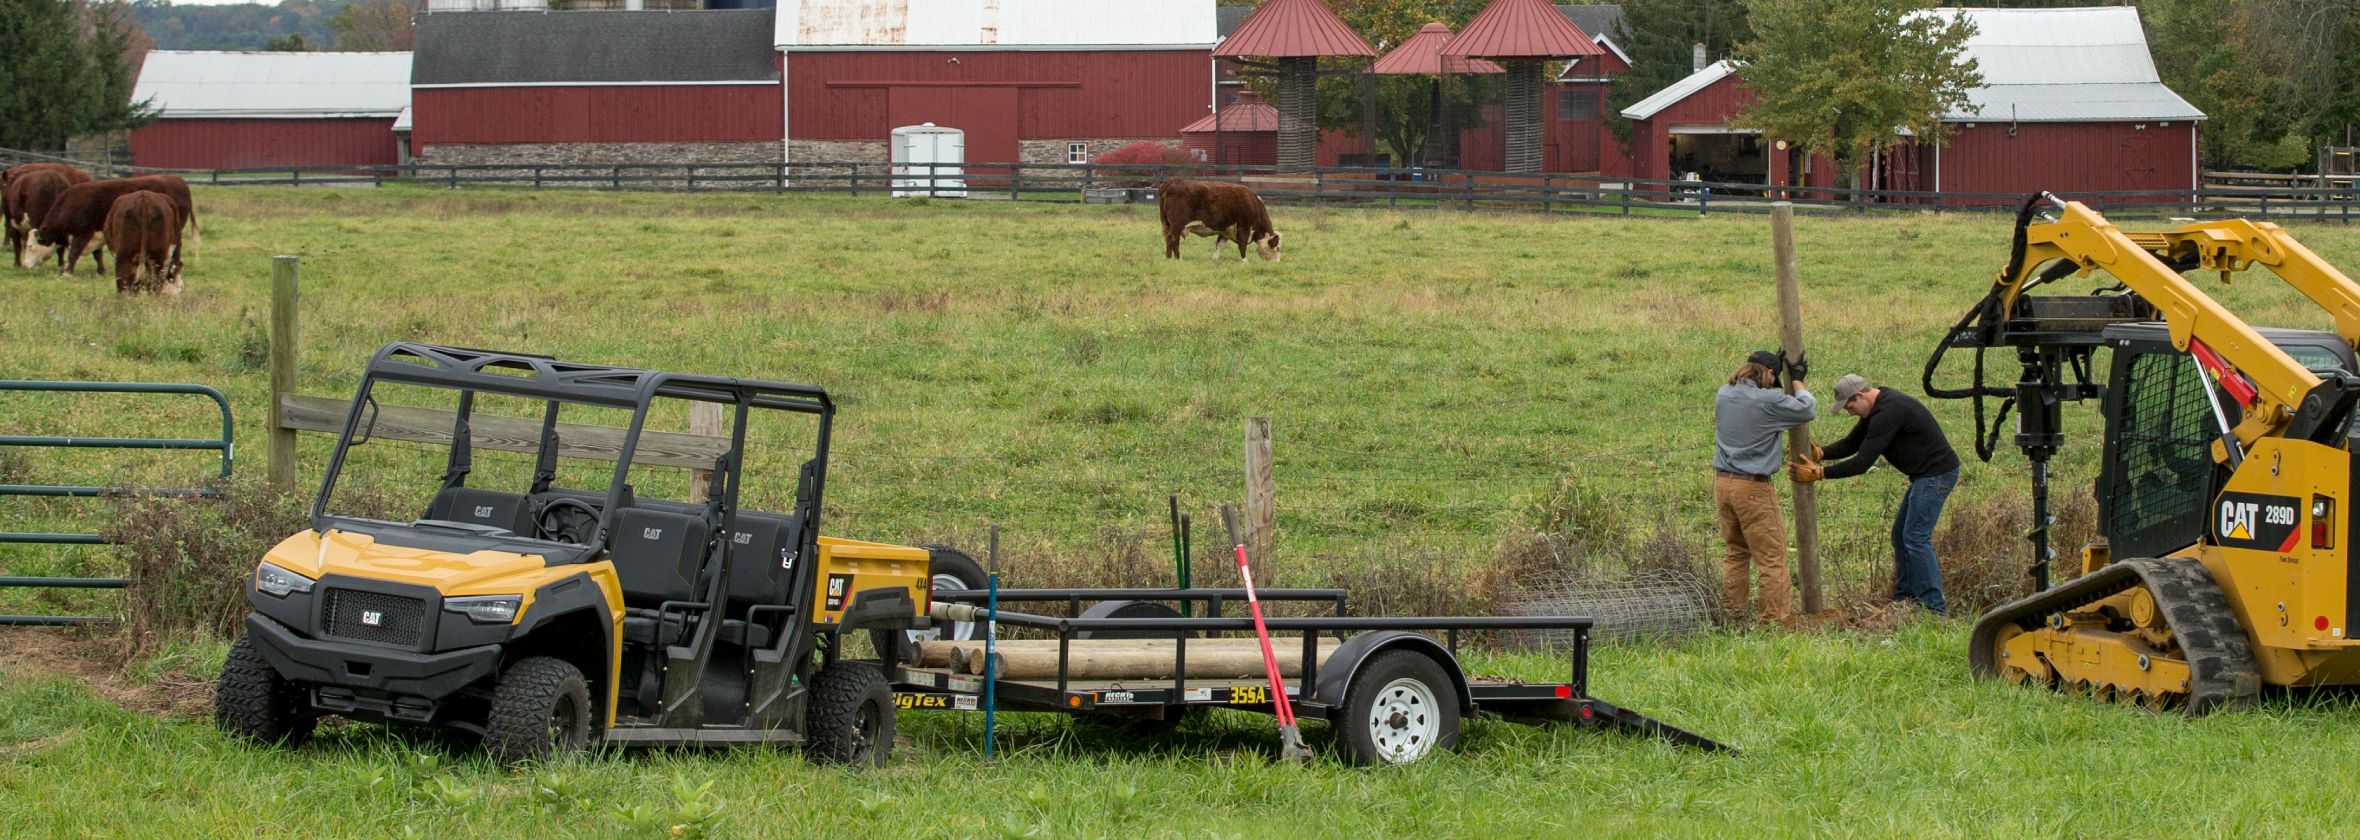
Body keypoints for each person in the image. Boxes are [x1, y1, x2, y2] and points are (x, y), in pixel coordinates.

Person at [1790, 374, 1962, 615]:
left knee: (1915, 537)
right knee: (1900, 536)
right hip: (1923, 476)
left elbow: (1862, 462)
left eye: (1850, 405)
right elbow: (1853, 443)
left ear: (1859, 396)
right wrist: (1822, 453)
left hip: (1936, 475)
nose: (1850, 412)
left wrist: (1820, 473)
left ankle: (1934, 608)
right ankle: (1905, 599)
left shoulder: (1889, 412)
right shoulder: (1876, 409)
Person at [1713, 349, 1815, 622]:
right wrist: (1798, 382)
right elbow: (1808, 409)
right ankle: (1773, 620)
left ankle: (1732, 614)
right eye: (1774, 378)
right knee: (1772, 557)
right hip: (1753, 488)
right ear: (1769, 374)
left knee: (1735, 552)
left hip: (1723, 484)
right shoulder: (1768, 401)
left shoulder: (1723, 393)